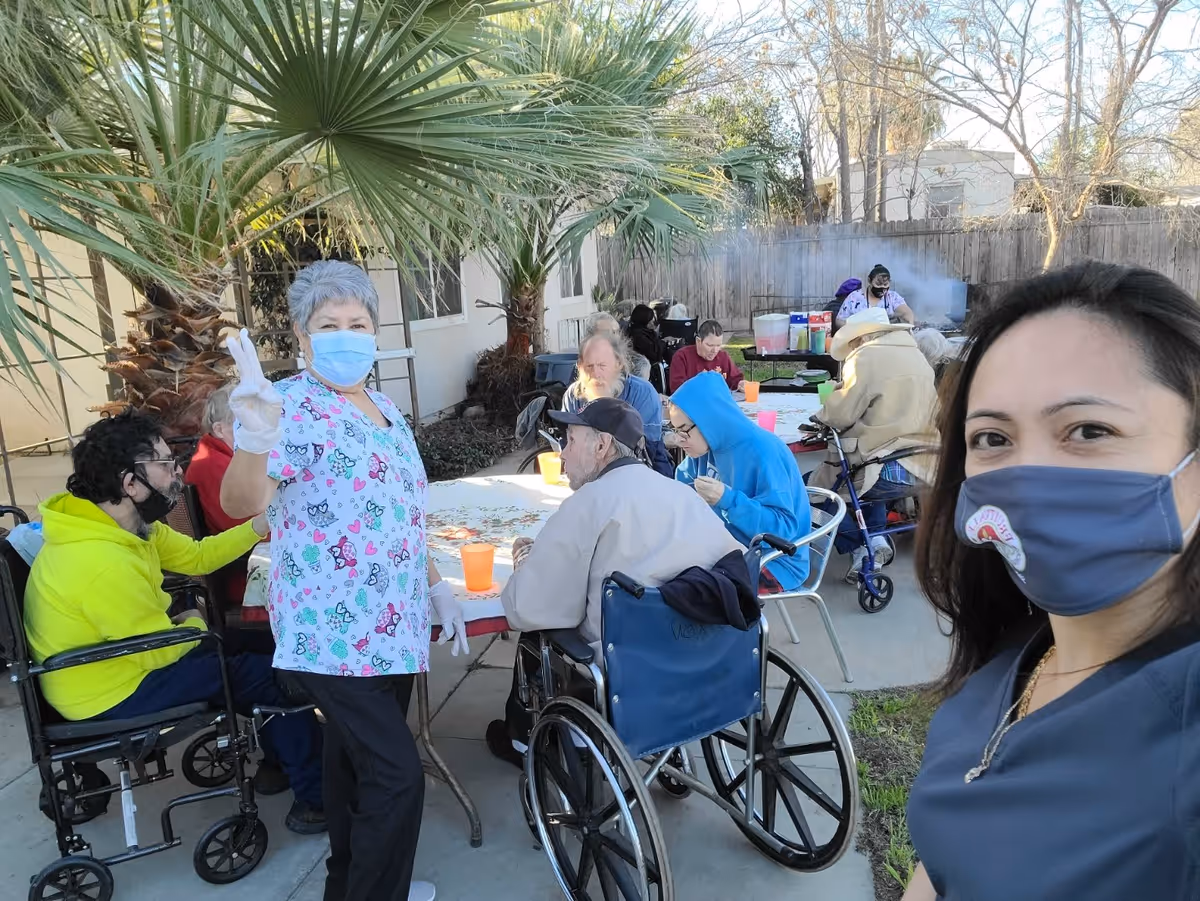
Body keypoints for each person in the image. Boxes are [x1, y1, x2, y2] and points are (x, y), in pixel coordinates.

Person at [903, 262, 1200, 901]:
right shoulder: (1018, 654)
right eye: (991, 438)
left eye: (1089, 430)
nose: (1028, 477)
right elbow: (944, 857)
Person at [220, 260, 463, 901]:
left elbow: (401, 513)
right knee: (397, 774)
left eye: (358, 321)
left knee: (355, 769)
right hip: (331, 633)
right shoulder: (288, 407)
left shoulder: (383, 406)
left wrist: (436, 583)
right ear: (302, 337)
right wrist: (254, 434)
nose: (346, 333)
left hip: (393, 625)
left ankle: (347, 886)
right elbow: (243, 501)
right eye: (329, 324)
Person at [22, 408, 326, 833]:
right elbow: (159, 652)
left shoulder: (123, 523)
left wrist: (260, 523)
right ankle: (318, 799)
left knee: (260, 646)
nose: (176, 473)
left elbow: (198, 557)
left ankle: (278, 763)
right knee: (270, 674)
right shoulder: (98, 560)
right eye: (165, 466)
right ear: (131, 483)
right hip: (108, 691)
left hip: (118, 663)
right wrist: (196, 623)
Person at [485, 398, 744, 766]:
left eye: (570, 441)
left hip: (625, 671)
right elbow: (729, 566)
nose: (562, 455)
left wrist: (524, 561)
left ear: (602, 445)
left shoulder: (589, 502)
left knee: (536, 633)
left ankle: (523, 739)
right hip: (705, 660)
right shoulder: (680, 493)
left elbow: (529, 607)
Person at [811, 308, 938, 581]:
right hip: (924, 465)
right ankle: (877, 539)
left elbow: (839, 415)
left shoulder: (866, 358)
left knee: (814, 491)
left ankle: (859, 546)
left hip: (879, 469)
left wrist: (830, 400)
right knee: (864, 481)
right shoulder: (916, 355)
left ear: (860, 338)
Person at [668, 371, 811, 593]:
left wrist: (728, 500)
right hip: (728, 547)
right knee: (659, 565)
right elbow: (682, 484)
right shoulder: (704, 447)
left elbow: (784, 530)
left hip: (775, 561)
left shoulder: (764, 452)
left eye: (683, 430)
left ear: (710, 420)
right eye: (675, 430)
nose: (678, 440)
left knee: (688, 592)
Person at [184, 383, 265, 622]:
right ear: (220, 429)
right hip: (243, 577)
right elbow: (245, 524)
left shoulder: (218, 458)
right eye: (245, 423)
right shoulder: (213, 465)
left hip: (242, 567)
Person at [563, 332, 673, 477]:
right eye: (589, 366)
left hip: (643, 474)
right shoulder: (573, 395)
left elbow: (644, 450)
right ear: (580, 366)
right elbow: (569, 444)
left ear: (618, 364)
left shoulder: (642, 393)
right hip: (587, 476)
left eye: (602, 365)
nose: (596, 373)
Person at [668, 319, 745, 394]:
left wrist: (741, 384)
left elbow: (735, 380)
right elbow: (677, 390)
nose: (715, 350)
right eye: (710, 345)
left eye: (718, 345)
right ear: (698, 341)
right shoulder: (682, 357)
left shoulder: (723, 357)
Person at [836, 264, 915, 327]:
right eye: (878, 284)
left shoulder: (893, 297)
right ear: (869, 281)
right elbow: (839, 321)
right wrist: (855, 329)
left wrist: (908, 323)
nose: (882, 288)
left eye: (885, 284)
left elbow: (906, 313)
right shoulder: (854, 297)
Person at [628, 303, 666, 390]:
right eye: (650, 320)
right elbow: (654, 354)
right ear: (644, 321)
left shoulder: (643, 332)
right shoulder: (638, 336)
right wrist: (663, 343)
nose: (653, 323)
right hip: (645, 374)